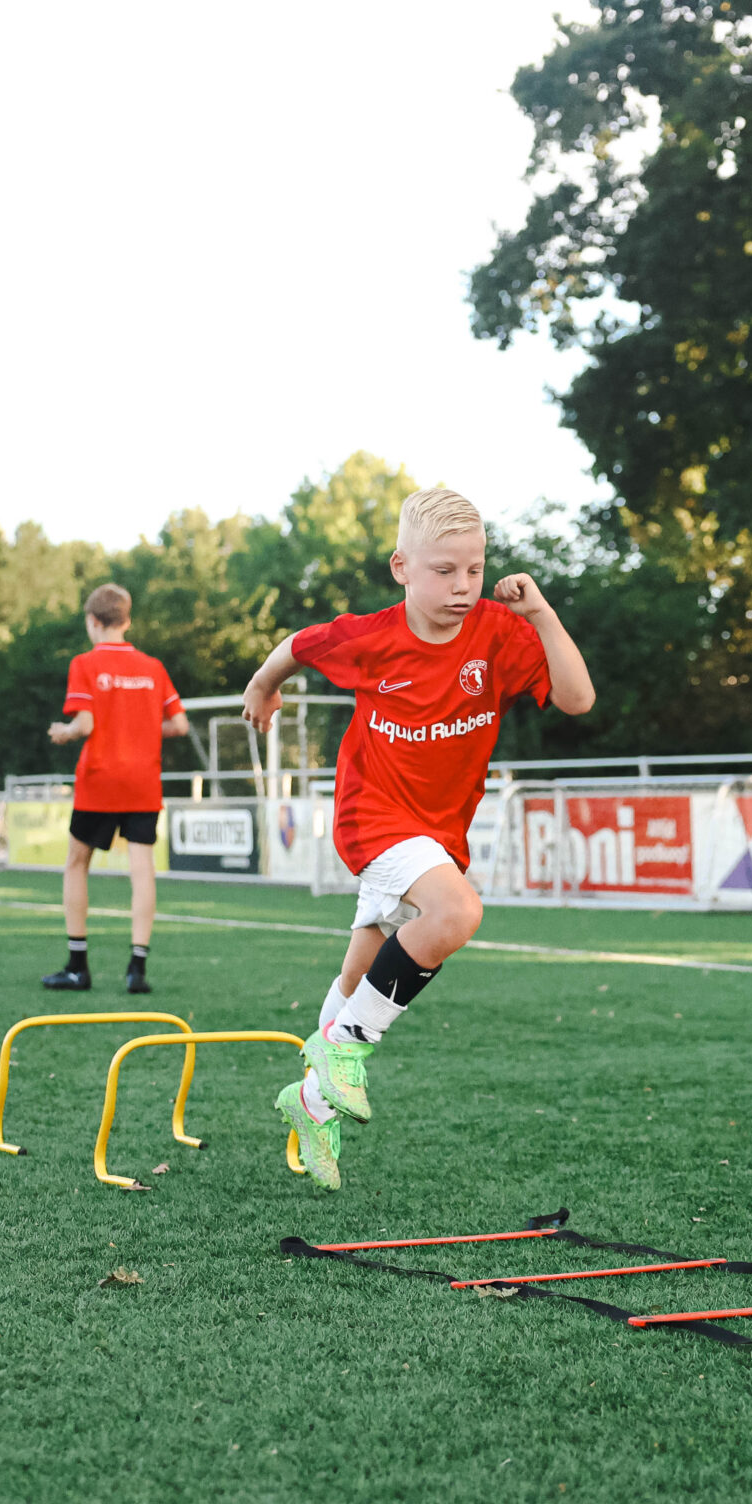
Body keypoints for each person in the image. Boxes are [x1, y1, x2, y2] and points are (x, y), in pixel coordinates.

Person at [239, 488, 594, 1189]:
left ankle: (311, 1100)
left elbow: (578, 698)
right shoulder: (369, 636)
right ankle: (344, 1052)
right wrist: (261, 685)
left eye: (473, 568)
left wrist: (542, 614)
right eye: (443, 570)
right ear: (402, 567)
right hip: (370, 816)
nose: (462, 585)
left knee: (358, 975)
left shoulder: (498, 631)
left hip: (438, 831)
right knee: (457, 911)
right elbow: (296, 646)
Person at [42, 582, 189, 994]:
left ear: (93, 621)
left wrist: (64, 732)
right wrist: (143, 729)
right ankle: (137, 969)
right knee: (142, 869)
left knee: (76, 862)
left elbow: (85, 724)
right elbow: (179, 724)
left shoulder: (85, 663)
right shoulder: (153, 667)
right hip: (143, 780)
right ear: (127, 621)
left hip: (101, 779)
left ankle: (77, 966)